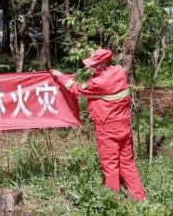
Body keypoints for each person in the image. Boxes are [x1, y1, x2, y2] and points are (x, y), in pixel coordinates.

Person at [52, 48, 146, 200]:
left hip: (107, 127)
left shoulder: (99, 82)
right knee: (127, 163)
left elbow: (76, 88)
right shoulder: (119, 72)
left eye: (93, 65)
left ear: (101, 65)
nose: (90, 67)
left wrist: (61, 77)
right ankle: (139, 198)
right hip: (124, 126)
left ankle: (111, 201)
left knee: (110, 166)